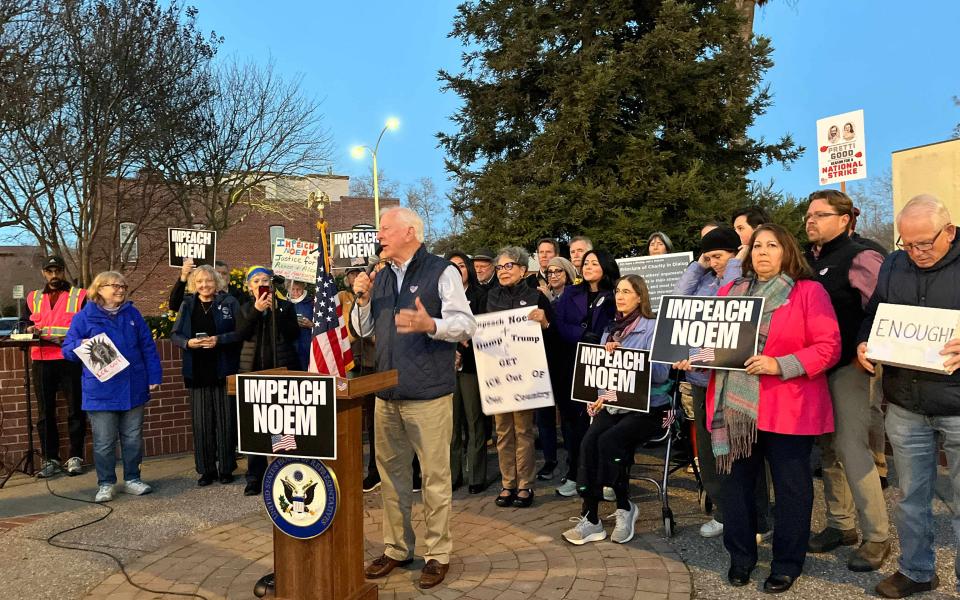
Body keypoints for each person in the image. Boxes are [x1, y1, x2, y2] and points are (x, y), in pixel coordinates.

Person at [689, 224, 840, 593]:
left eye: (772, 245)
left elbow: (828, 346)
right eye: (757, 246)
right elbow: (719, 346)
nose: (763, 252)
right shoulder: (729, 291)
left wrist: (780, 364)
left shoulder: (808, 292)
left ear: (787, 251)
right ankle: (741, 558)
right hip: (736, 411)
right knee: (736, 486)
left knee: (792, 490)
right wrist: (695, 358)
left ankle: (787, 564)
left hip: (789, 408)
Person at [352, 207, 476, 590]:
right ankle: (396, 548)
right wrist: (362, 300)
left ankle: (438, 554)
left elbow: (467, 324)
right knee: (392, 479)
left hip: (428, 395)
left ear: (409, 231)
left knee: (435, 479)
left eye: (385, 229)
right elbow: (363, 330)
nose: (380, 236)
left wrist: (431, 324)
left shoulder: (442, 271)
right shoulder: (382, 276)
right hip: (386, 394)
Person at [857, 195, 960, 599]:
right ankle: (917, 571)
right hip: (905, 402)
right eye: (908, 243)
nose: (916, 252)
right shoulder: (895, 264)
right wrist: (865, 342)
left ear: (949, 232)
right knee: (911, 498)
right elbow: (876, 313)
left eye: (925, 243)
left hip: (957, 404)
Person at [802, 189, 891, 571]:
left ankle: (877, 536)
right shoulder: (806, 261)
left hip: (850, 368)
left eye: (820, 215)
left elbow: (884, 308)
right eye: (808, 215)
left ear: (844, 219)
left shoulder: (862, 256)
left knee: (852, 448)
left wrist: (864, 347)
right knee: (828, 450)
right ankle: (842, 524)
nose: (811, 221)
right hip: (815, 370)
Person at [671, 227, 768, 541]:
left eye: (719, 256)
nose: (714, 262)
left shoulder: (742, 279)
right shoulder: (703, 278)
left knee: (740, 449)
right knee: (711, 452)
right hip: (700, 378)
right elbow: (678, 301)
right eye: (708, 256)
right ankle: (725, 511)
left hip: (731, 380)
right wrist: (697, 266)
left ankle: (758, 518)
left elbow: (730, 302)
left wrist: (738, 260)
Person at [562, 274, 671, 545]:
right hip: (614, 405)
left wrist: (626, 357)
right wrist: (595, 397)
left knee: (610, 442)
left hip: (649, 409)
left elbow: (661, 373)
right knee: (587, 444)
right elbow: (601, 375)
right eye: (618, 291)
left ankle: (624, 507)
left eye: (627, 291)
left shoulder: (652, 327)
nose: (620, 296)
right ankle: (592, 518)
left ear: (640, 296)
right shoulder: (609, 330)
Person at [62, 271, 163, 503]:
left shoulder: (133, 314)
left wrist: (154, 375)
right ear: (99, 289)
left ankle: (132, 479)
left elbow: (148, 346)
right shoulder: (83, 318)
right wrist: (81, 344)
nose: (120, 290)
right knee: (104, 441)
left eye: (123, 286)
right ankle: (106, 483)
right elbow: (66, 350)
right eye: (114, 286)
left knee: (133, 439)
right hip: (100, 391)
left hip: (132, 387)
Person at [485, 246, 553, 509]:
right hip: (499, 376)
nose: (503, 271)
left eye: (508, 266)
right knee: (502, 432)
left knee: (523, 430)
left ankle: (525, 485)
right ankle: (507, 483)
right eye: (499, 267)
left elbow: (551, 331)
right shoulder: (490, 297)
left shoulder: (536, 297)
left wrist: (544, 322)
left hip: (525, 376)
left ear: (523, 270)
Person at [551, 249, 620, 497]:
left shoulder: (615, 294)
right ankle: (574, 473)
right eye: (586, 262)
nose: (588, 266)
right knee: (573, 422)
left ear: (605, 266)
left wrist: (603, 338)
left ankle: (605, 477)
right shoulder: (571, 292)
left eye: (594, 262)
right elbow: (560, 324)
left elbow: (620, 324)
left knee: (602, 421)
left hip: (602, 365)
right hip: (571, 363)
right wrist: (582, 336)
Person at [170, 265, 242, 486]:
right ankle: (206, 469)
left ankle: (227, 468)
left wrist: (219, 340)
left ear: (217, 282)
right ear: (194, 284)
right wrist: (187, 343)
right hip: (197, 370)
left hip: (223, 369)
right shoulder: (188, 304)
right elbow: (175, 334)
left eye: (209, 281)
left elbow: (240, 332)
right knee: (202, 424)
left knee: (226, 422)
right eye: (199, 281)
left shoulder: (229, 302)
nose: (204, 285)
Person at [236, 265, 301, 496]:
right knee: (255, 426)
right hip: (253, 373)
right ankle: (255, 476)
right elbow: (240, 334)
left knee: (282, 424)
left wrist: (275, 310)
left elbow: (293, 333)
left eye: (265, 280)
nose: (261, 284)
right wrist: (256, 310)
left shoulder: (284, 306)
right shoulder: (243, 308)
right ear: (249, 286)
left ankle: (283, 468)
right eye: (256, 281)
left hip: (281, 370)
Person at [26, 255, 87, 478]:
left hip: (70, 359)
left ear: (63, 272)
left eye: (58, 271)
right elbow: (24, 322)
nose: (54, 276)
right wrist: (29, 329)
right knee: (45, 413)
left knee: (75, 410)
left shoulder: (80, 295)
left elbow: (88, 325)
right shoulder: (33, 297)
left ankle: (75, 457)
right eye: (49, 272)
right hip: (41, 359)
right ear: (44, 273)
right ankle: (50, 459)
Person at [446, 251, 488, 494]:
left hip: (472, 367)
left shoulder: (480, 295)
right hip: (447, 368)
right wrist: (451, 349)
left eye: (461, 265)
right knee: (452, 427)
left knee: (474, 423)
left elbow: (485, 330)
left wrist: (465, 348)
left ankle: (477, 475)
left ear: (468, 269)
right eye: (452, 266)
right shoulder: (441, 297)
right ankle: (454, 475)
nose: (457, 270)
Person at [287, 279, 315, 370]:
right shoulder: (283, 304)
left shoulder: (312, 303)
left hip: (307, 346)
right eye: (292, 289)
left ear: (304, 288)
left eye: (298, 289)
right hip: (289, 347)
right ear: (287, 289)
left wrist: (311, 325)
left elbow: (322, 326)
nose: (295, 292)